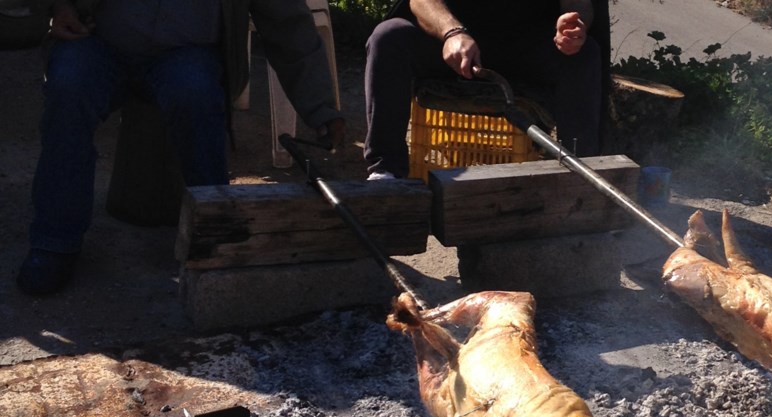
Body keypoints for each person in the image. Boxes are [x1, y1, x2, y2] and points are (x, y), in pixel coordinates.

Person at [16, 0, 346, 296]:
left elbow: (288, 23)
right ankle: (54, 243)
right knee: (69, 90)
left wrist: (320, 108)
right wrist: (58, 6)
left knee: (197, 95)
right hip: (99, 43)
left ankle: (214, 236)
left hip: (185, 54)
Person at [363, 0, 601, 181]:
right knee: (388, 38)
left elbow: (579, 7)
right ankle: (386, 174)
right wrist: (452, 32)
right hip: (455, 43)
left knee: (585, 53)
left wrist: (573, 29)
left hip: (525, 45)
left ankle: (578, 176)